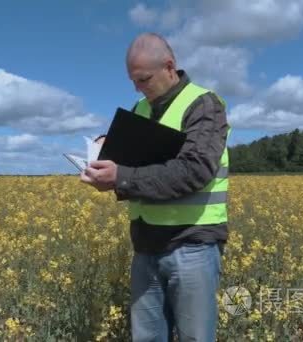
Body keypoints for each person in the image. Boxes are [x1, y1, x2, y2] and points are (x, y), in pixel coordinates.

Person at [81, 32, 229, 342]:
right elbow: (134, 165)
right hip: (146, 245)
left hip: (193, 245)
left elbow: (194, 170)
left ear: (169, 66)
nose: (137, 88)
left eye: (143, 79)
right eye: (133, 81)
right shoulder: (139, 109)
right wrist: (106, 154)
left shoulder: (203, 105)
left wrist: (121, 177)